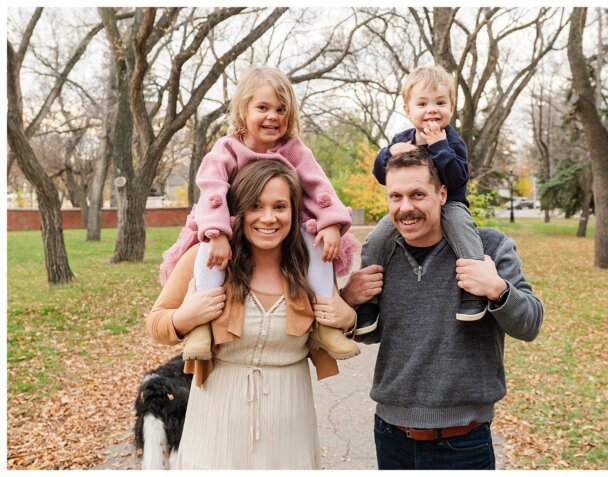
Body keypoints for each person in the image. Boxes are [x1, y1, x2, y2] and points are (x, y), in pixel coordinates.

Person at [341, 148, 543, 470]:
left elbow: (530, 324)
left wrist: (497, 289)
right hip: (391, 435)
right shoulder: (382, 256)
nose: (406, 207)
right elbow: (372, 335)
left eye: (418, 194)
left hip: (464, 442)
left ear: (442, 193)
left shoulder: (488, 247)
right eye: (396, 197)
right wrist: (348, 300)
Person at [148, 160, 356, 469]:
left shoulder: (310, 267)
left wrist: (347, 317)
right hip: (215, 428)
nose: (269, 218)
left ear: (294, 212)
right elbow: (156, 323)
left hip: (290, 431)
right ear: (239, 211)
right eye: (256, 206)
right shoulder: (205, 259)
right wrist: (184, 318)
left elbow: (338, 322)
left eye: (280, 206)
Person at [159, 66, 358, 363]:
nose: (273, 116)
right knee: (207, 251)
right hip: (222, 221)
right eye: (263, 107)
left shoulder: (293, 150)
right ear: (242, 111)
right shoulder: (227, 149)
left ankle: (325, 321)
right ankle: (201, 324)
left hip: (294, 227)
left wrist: (330, 223)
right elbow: (212, 189)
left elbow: (318, 185)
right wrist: (218, 233)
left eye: (281, 109)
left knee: (317, 245)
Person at [356, 65, 486, 334]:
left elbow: (458, 178)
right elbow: (380, 173)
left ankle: (474, 292)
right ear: (408, 109)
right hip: (407, 208)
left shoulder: (453, 142)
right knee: (378, 237)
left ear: (451, 106)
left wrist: (439, 147)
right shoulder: (401, 140)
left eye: (440, 102)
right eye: (423, 103)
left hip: (451, 206)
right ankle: (369, 301)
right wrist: (389, 153)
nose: (432, 110)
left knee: (462, 229)